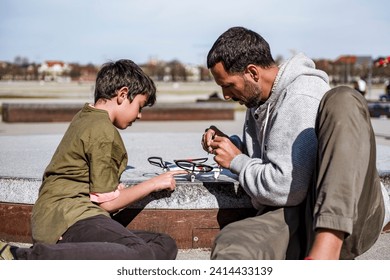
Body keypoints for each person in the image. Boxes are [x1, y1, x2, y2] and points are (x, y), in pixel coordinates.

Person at [201, 26, 390, 260]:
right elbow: (273, 157)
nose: (226, 95)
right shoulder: (257, 99)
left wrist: (237, 161)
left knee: (343, 98)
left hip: (347, 218)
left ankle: (327, 250)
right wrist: (230, 144)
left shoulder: (302, 96)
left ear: (252, 72)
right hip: (296, 214)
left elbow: (285, 187)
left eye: (228, 85)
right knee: (231, 246)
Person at [0, 59, 186, 260]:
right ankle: (23, 258)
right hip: (69, 218)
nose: (139, 115)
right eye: (140, 106)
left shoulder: (86, 116)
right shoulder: (102, 129)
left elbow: (89, 181)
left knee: (163, 243)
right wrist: (154, 183)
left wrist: (113, 189)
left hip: (67, 216)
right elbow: (108, 204)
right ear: (123, 95)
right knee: (142, 253)